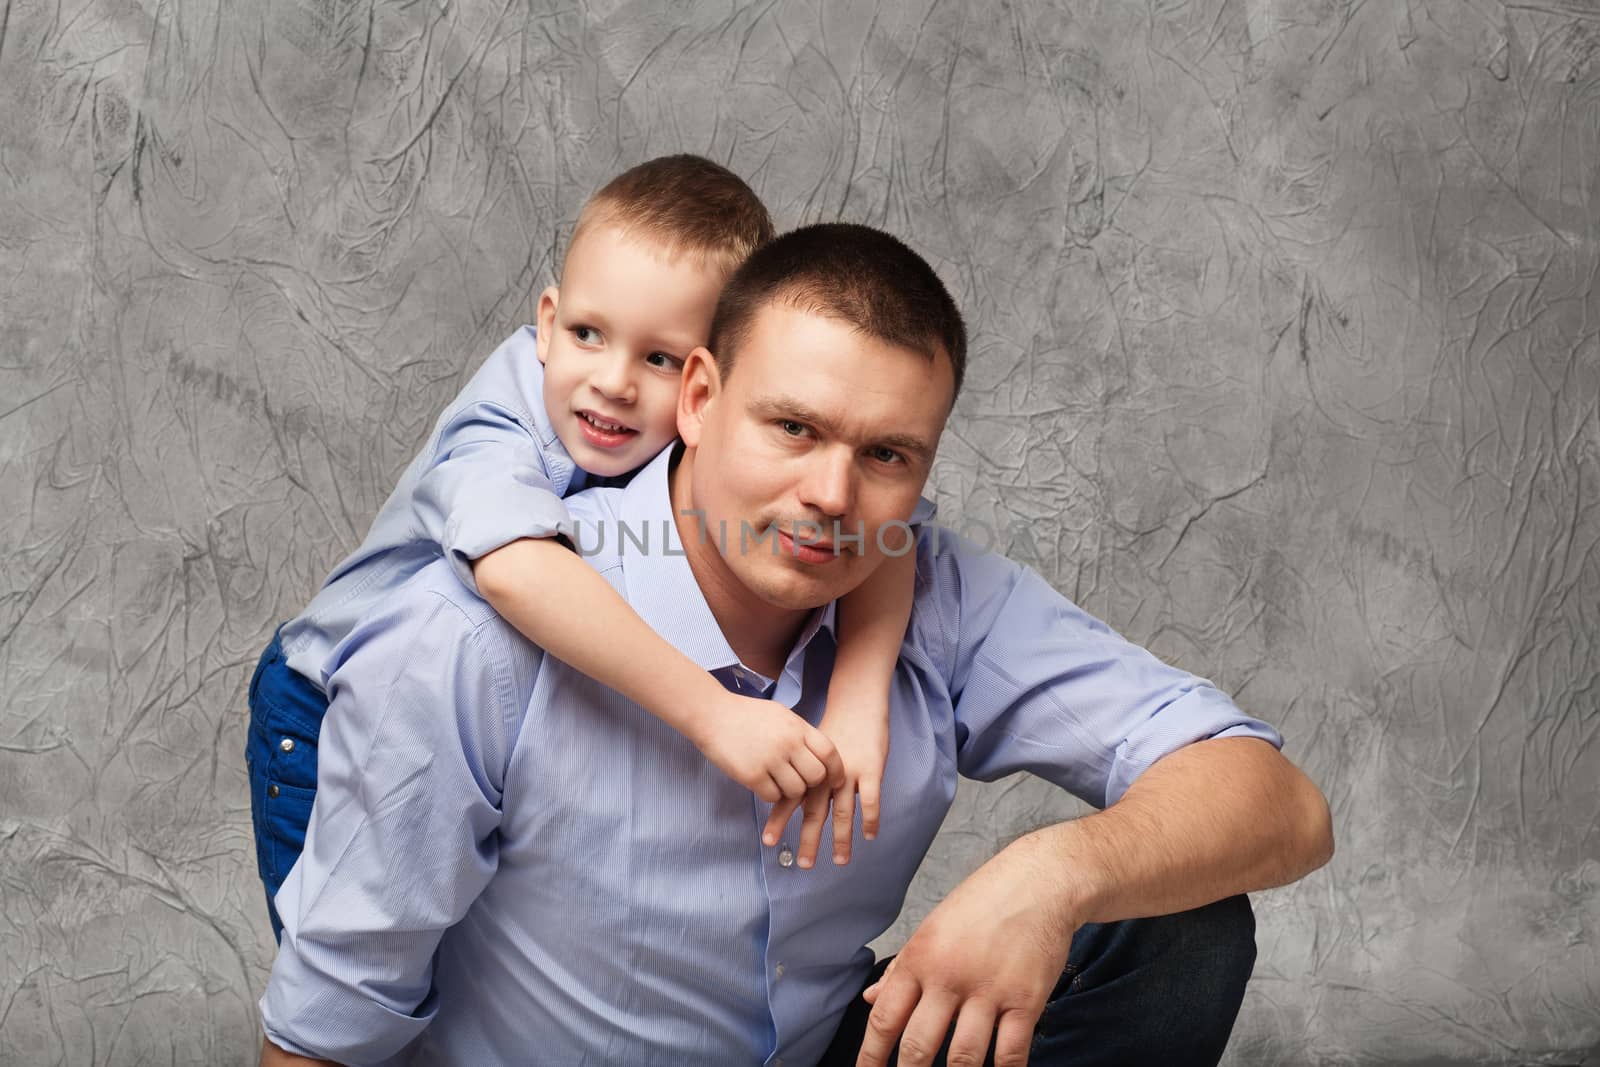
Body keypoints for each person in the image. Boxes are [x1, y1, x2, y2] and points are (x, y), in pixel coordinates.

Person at [257, 223, 1335, 1067]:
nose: (830, 494)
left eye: (886, 453)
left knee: (1181, 922)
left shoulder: (935, 589)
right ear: (698, 396)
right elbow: (323, 1025)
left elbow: (1278, 803)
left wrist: (1049, 872)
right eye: (794, 428)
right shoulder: (479, 628)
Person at [247, 156, 924, 938]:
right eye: (587, 334)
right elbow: (514, 571)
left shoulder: (724, 447)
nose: (612, 382)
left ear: (717, 379)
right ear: (546, 322)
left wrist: (859, 699)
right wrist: (717, 714)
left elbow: (887, 534)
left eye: (660, 358)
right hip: (327, 702)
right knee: (360, 956)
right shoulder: (505, 418)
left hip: (484, 718)